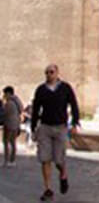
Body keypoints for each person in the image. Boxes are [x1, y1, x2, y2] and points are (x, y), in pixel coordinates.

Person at [31, 64, 80, 202]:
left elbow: (74, 105)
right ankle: (48, 190)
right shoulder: (41, 90)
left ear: (57, 73)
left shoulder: (65, 88)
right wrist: (34, 127)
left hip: (60, 127)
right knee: (45, 159)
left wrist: (75, 123)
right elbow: (36, 109)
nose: (49, 74)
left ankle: (63, 173)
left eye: (51, 72)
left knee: (58, 160)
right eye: (46, 72)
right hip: (45, 127)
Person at [2, 86, 23, 167]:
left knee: (6, 142)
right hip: (16, 124)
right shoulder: (17, 101)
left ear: (8, 93)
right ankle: (12, 160)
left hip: (8, 124)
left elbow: (5, 114)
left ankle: (7, 160)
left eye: (4, 93)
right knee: (13, 142)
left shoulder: (9, 102)